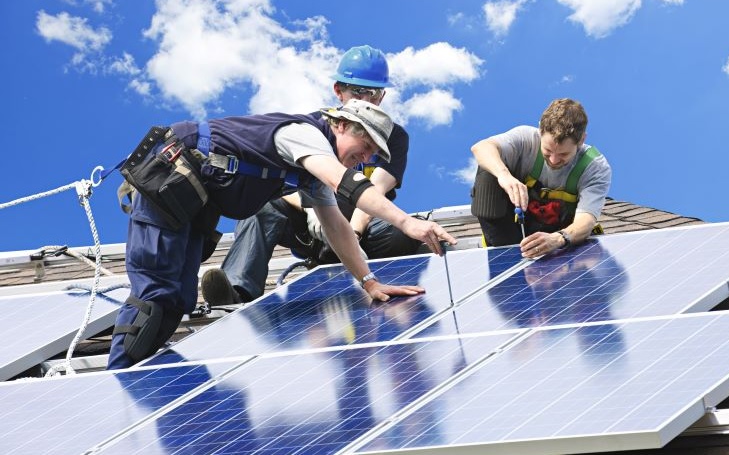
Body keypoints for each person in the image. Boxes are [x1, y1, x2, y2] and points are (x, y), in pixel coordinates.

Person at [107, 98, 456, 370]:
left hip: (193, 202)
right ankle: (117, 386)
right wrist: (407, 223)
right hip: (169, 179)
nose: (363, 159)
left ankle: (137, 389)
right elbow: (343, 182)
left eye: (370, 157)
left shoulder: (310, 174)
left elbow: (336, 225)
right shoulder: (302, 135)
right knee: (156, 296)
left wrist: (369, 282)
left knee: (180, 300)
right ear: (340, 123)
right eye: (363, 148)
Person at [201, 45, 419, 306]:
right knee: (261, 207)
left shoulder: (391, 137)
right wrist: (310, 210)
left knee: (401, 230)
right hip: (312, 223)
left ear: (381, 97)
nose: (365, 99)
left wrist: (354, 232)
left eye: (373, 93)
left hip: (361, 226)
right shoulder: (315, 128)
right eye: (358, 91)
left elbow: (376, 189)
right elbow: (288, 180)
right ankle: (237, 292)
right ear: (339, 92)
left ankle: (377, 275)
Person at [470, 97, 611, 259]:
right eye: (548, 151)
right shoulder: (525, 139)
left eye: (563, 154)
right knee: (488, 170)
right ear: (540, 131)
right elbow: (481, 148)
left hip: (561, 241)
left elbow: (585, 220)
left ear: (581, 140)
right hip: (513, 236)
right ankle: (504, 254)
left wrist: (559, 238)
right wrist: (504, 176)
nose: (553, 160)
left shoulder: (594, 166)